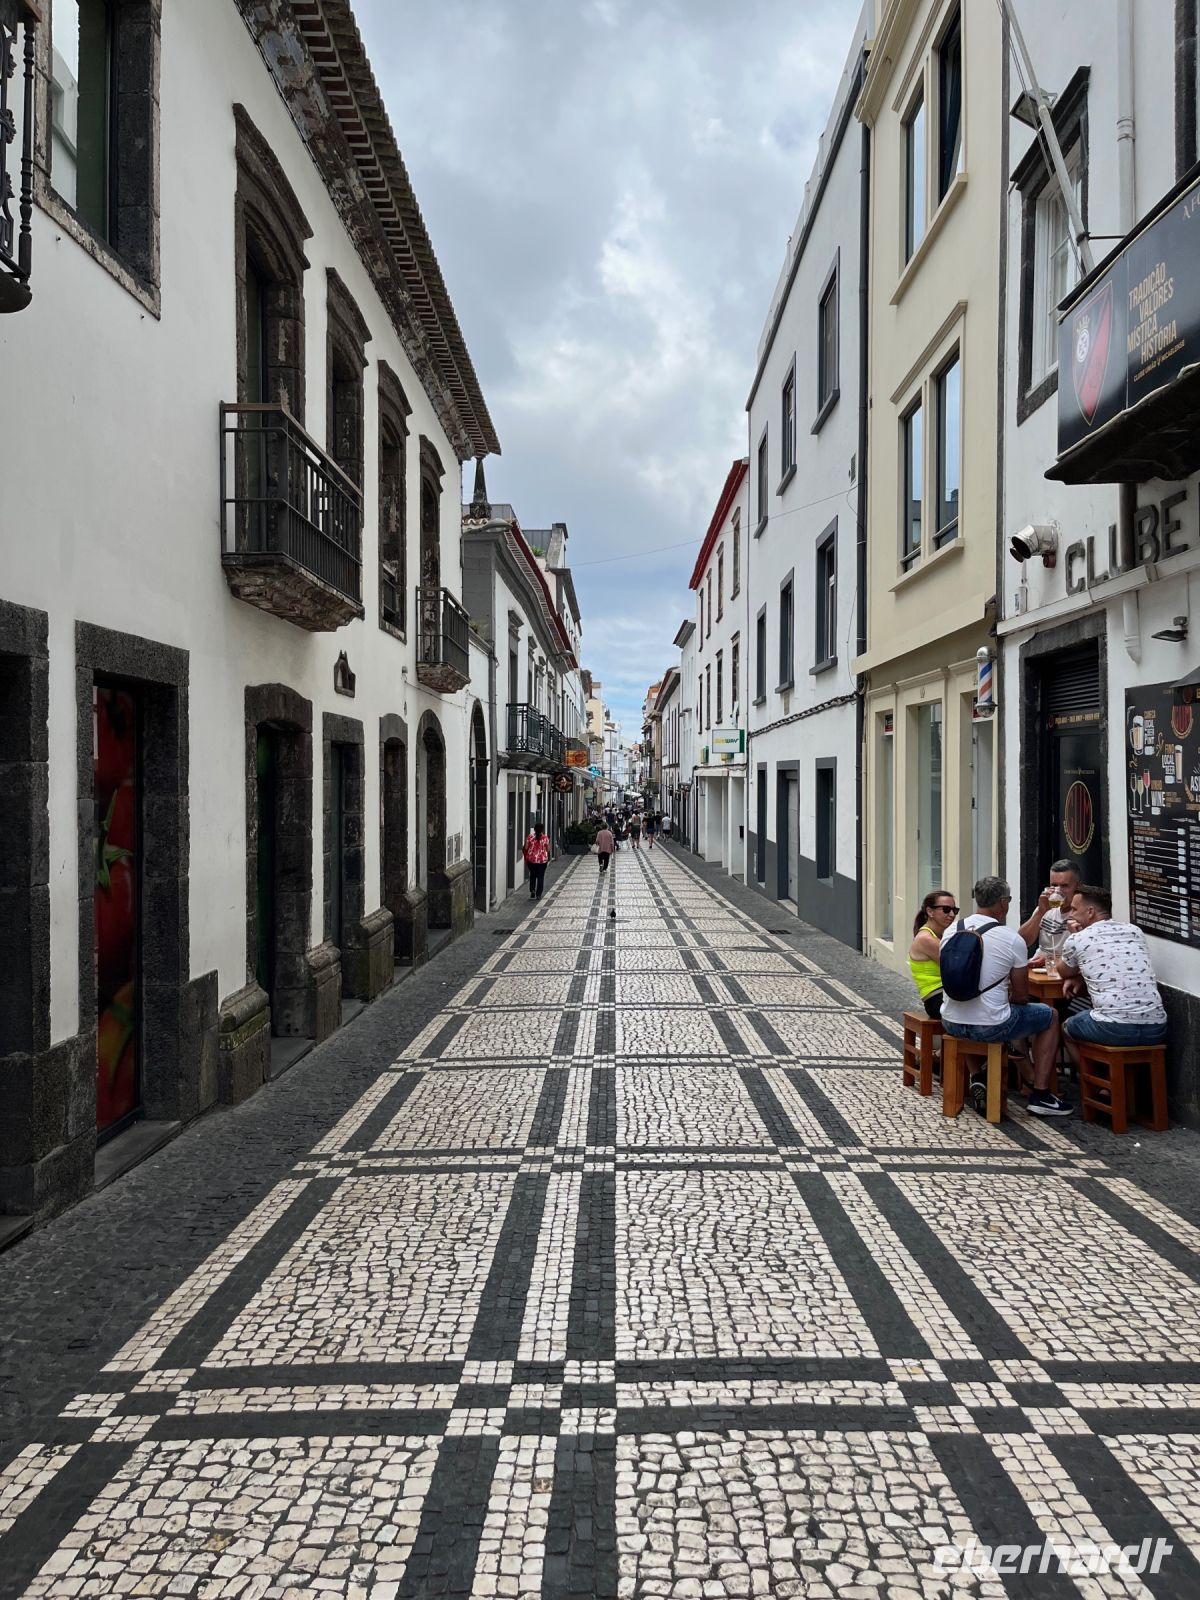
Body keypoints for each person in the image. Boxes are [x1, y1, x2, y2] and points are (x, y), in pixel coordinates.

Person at [940, 875, 1070, 1117]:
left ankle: (980, 1076)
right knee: (1049, 1016)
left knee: (983, 1014)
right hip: (990, 1026)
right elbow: (1021, 995)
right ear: (1002, 902)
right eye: (1008, 900)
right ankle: (1041, 1093)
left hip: (950, 1021)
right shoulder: (1011, 938)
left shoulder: (951, 931)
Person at [1056, 886, 1167, 1062]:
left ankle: (1092, 1079)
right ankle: (1120, 1078)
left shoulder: (1078, 938)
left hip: (1112, 1029)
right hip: (1157, 1028)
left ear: (1090, 912)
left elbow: (1063, 971)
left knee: (1066, 1029)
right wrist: (1080, 977)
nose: (1071, 914)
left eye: (1075, 909)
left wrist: (1074, 937)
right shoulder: (1134, 931)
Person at [907, 890, 958, 1018]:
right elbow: (958, 967)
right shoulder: (926, 939)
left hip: (946, 994)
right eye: (946, 910)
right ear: (930, 912)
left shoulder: (941, 935)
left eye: (955, 910)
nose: (952, 914)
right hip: (937, 999)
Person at [1018, 858, 1083, 956]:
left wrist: (1050, 959)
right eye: (1054, 885)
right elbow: (1021, 942)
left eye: (1064, 886)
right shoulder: (1045, 908)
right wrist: (1040, 912)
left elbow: (1084, 953)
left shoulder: (1084, 914)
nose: (1058, 891)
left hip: (1063, 964)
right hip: (1038, 963)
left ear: (1078, 886)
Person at [523, 822, 549, 901]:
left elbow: (526, 848)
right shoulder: (545, 838)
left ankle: (532, 890)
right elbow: (548, 849)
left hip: (532, 861)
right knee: (541, 877)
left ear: (534, 829)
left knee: (532, 875)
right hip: (542, 861)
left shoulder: (530, 837)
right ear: (542, 829)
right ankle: (538, 894)